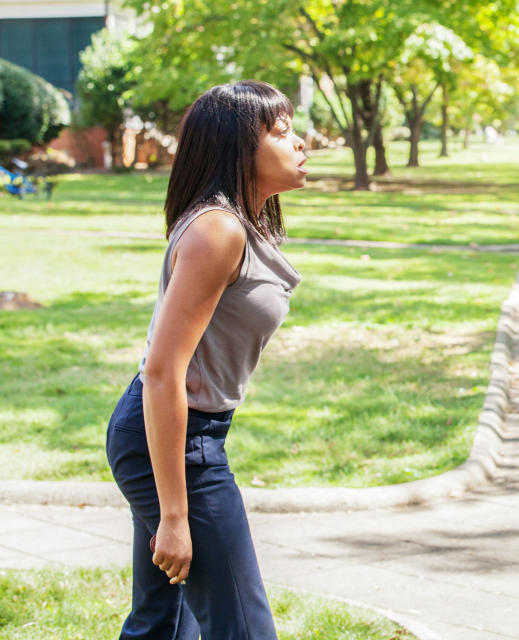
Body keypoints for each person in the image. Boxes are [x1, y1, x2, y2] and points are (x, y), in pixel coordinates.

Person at [106, 80, 308, 639]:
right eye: (282, 132)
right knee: (241, 628)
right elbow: (164, 371)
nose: (300, 144)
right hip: (174, 439)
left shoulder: (242, 224)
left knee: (163, 625)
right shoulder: (217, 229)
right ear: (238, 146)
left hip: (178, 433)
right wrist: (174, 515)